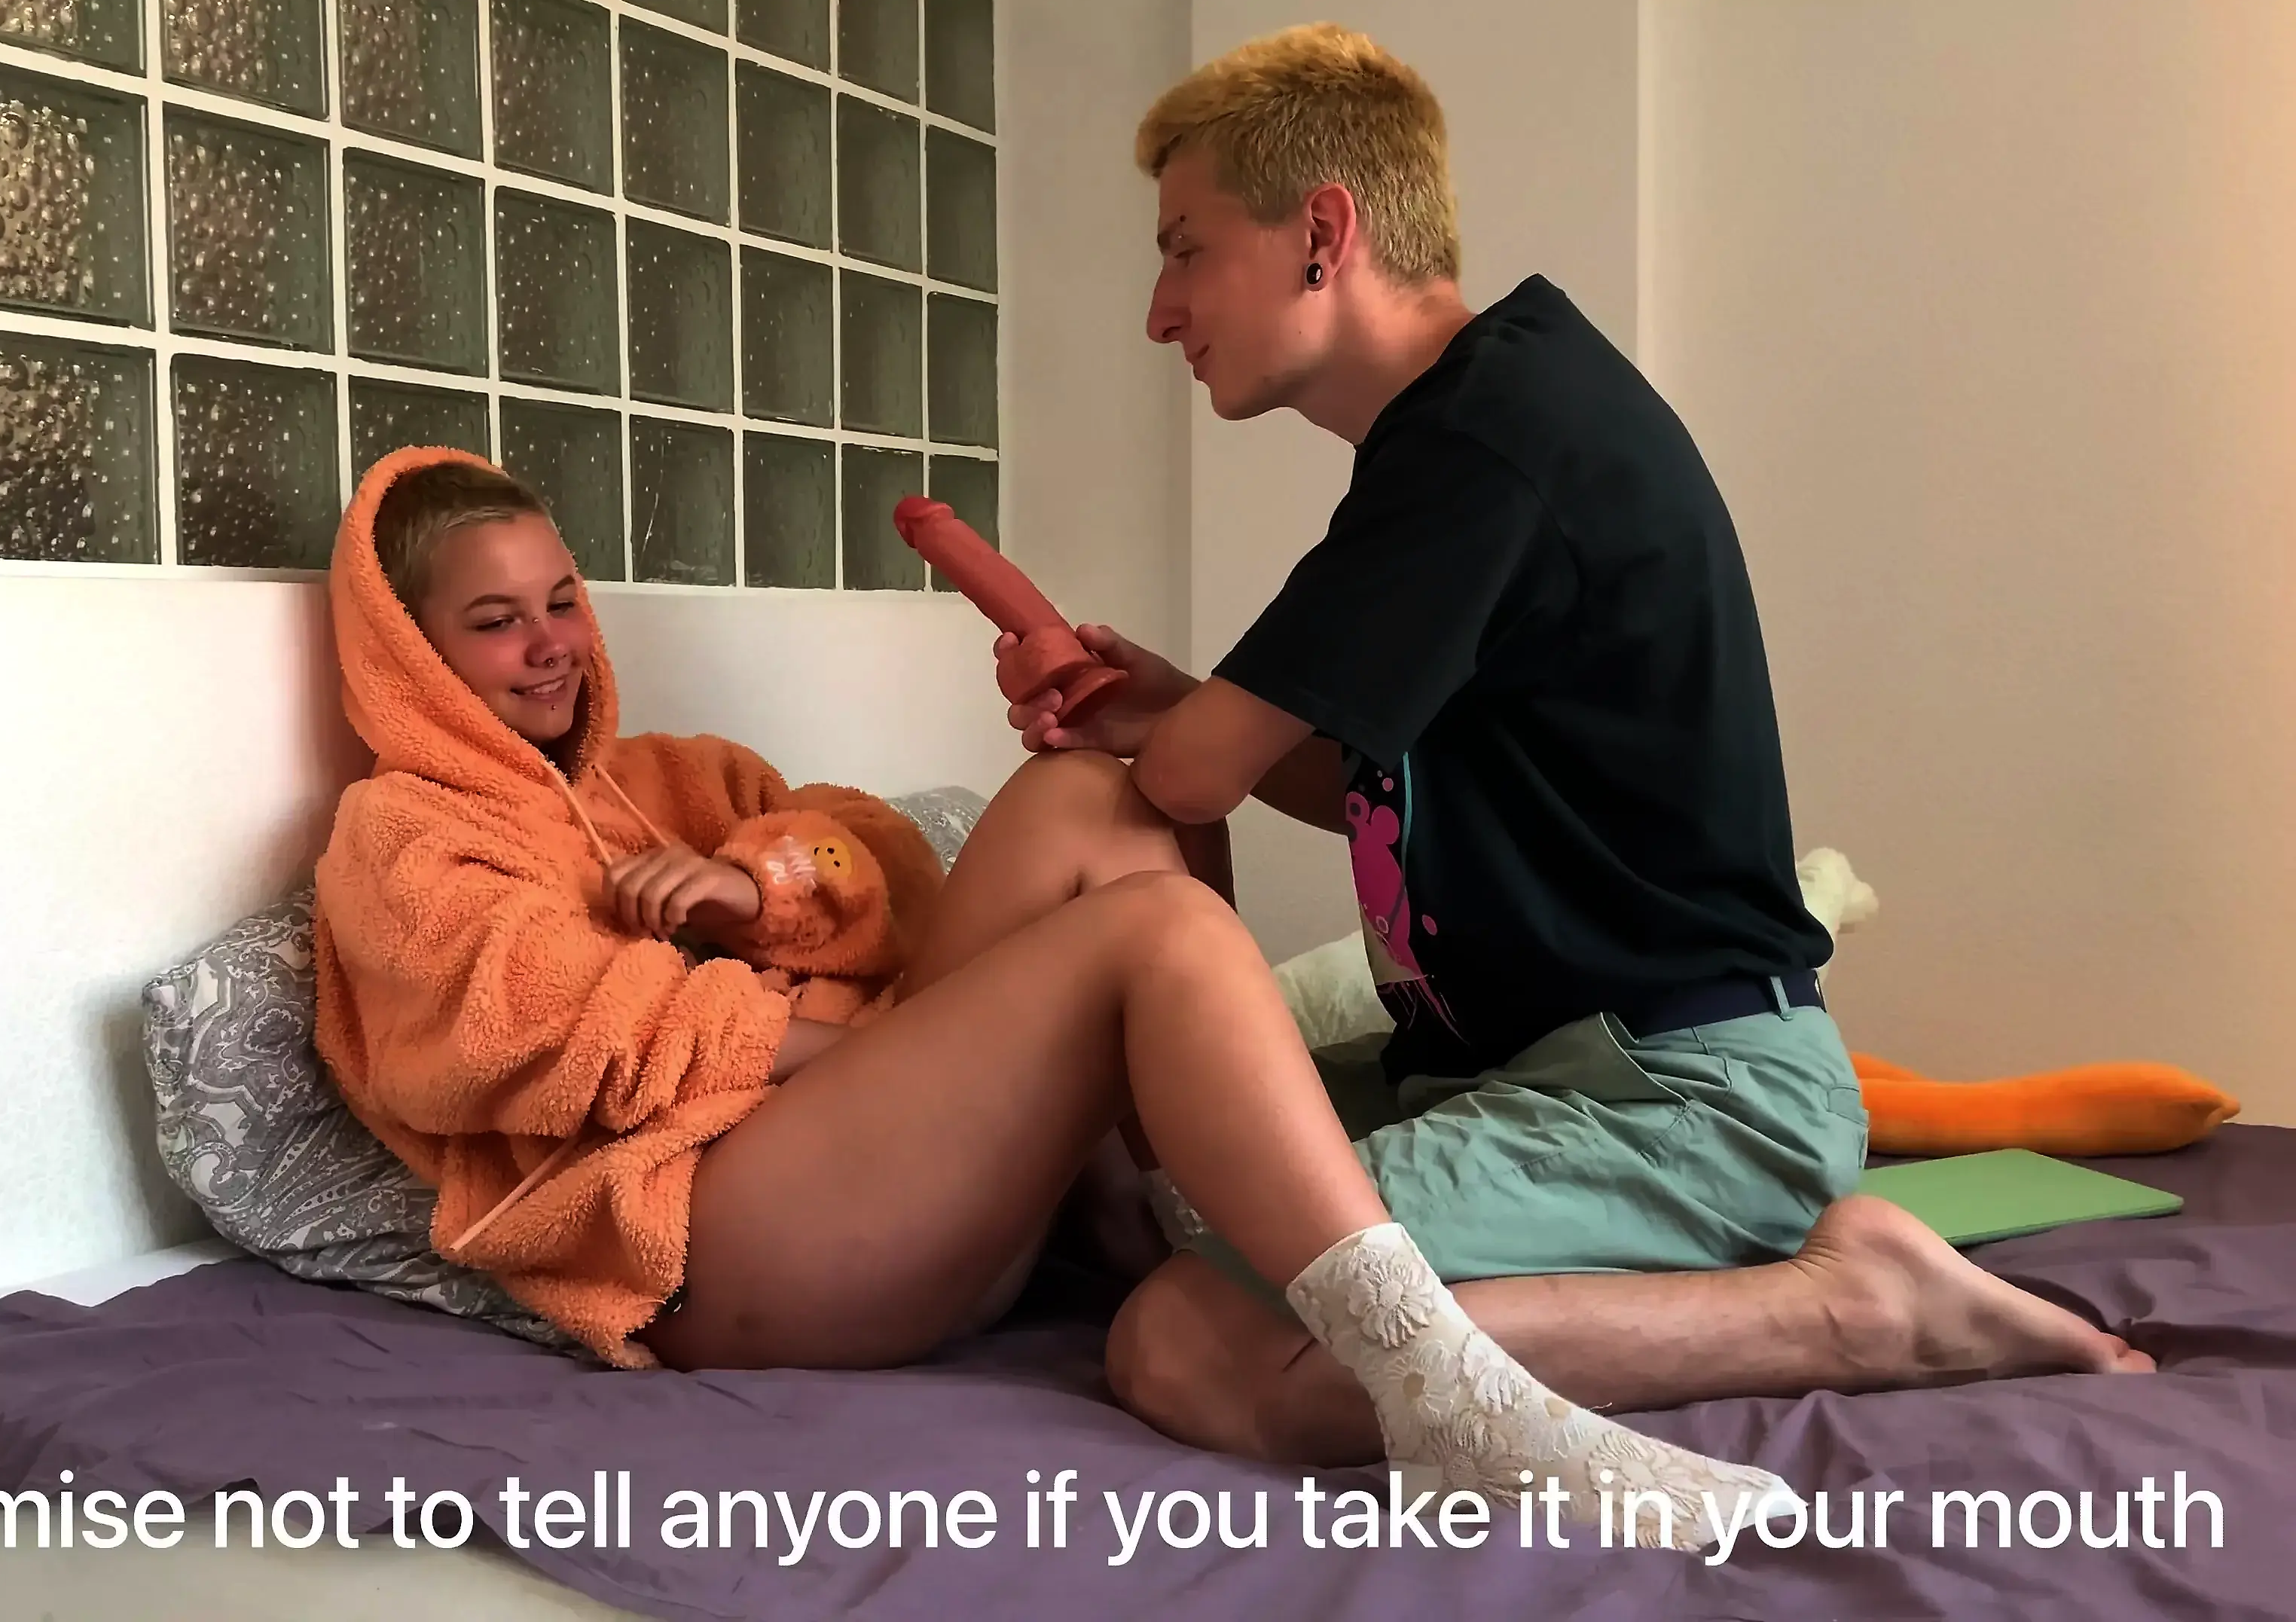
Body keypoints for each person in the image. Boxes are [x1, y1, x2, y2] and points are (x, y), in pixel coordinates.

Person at [311, 444, 1800, 1553]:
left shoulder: (666, 780)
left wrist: (760, 889)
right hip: (715, 1245)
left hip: (870, 1185)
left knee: (1102, 792)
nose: (552, 645)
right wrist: (841, 1042)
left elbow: (884, 864)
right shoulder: (403, 838)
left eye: (561, 600)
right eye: (495, 623)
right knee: (1153, 935)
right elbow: (532, 1034)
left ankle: (1156, 1215)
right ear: (412, 659)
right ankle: (1441, 1384)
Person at [1008, 21, 2150, 1464]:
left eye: (1187, 250)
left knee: (1187, 1344)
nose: (1160, 313)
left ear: (1323, 234)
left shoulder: (1487, 442)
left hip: (1685, 1098)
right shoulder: (1475, 430)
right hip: (1537, 1068)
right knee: (1156, 1190)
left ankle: (1855, 1313)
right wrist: (1170, 698)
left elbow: (1186, 782)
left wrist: (1172, 728)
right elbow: (1354, 784)